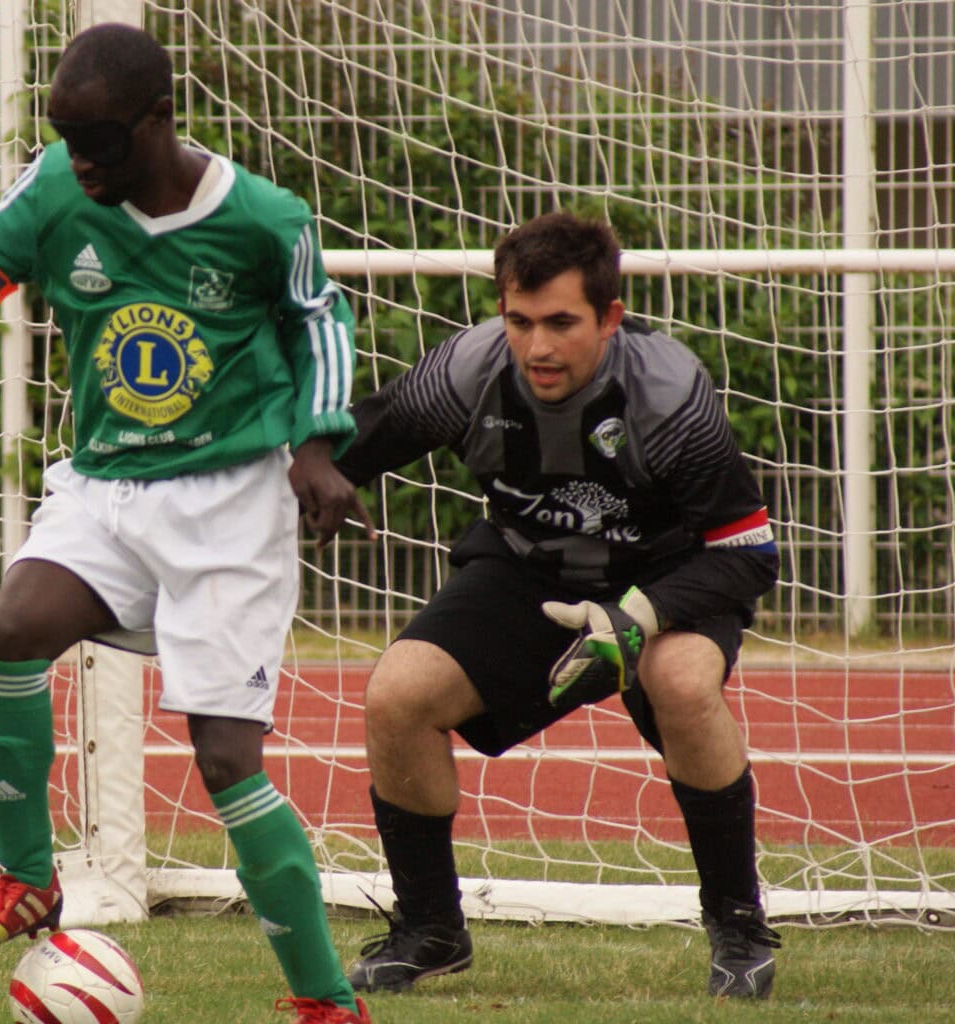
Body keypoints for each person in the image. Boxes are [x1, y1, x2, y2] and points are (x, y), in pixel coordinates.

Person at [0, 23, 376, 1024]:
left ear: (158, 120)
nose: (79, 162)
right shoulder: (54, 193)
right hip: (107, 489)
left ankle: (326, 1002)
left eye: (97, 142)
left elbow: (319, 321)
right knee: (12, 632)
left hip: (230, 508)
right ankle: (29, 878)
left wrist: (317, 448)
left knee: (227, 762)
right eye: (66, 140)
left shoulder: (263, 218)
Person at [335, 212, 782, 1000]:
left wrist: (637, 617)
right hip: (528, 570)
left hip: (669, 579)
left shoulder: (669, 394)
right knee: (396, 696)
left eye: (562, 323)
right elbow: (356, 443)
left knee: (681, 683)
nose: (537, 346)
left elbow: (747, 554)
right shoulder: (466, 371)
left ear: (609, 317)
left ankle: (739, 930)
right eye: (520, 321)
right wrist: (295, 477)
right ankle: (430, 929)